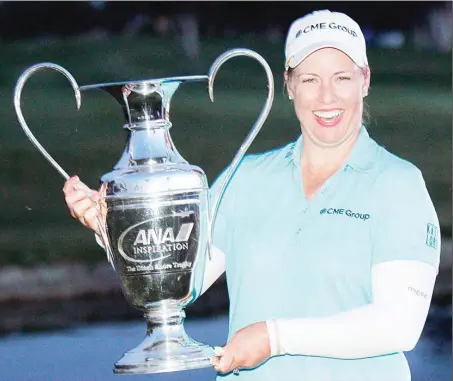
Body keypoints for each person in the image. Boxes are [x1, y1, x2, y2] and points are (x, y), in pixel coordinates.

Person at [63, 9, 442, 381]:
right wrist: (114, 228)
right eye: (310, 79)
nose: (327, 97)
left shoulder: (399, 184)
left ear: (365, 80)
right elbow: (183, 282)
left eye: (341, 77)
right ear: (289, 85)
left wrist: (274, 337)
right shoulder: (246, 177)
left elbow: (399, 325)